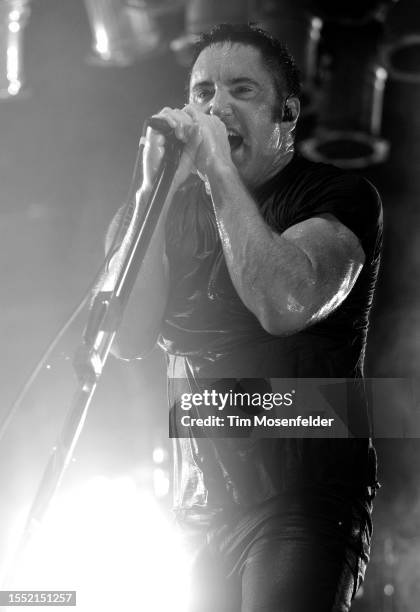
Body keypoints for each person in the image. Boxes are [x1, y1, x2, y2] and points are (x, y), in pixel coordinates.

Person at [108, 23, 382, 612]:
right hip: (196, 509)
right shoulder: (164, 212)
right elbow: (124, 338)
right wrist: (150, 192)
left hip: (300, 498)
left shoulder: (334, 196)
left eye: (242, 91)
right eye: (203, 93)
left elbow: (284, 305)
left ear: (288, 114)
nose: (216, 107)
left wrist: (218, 173)